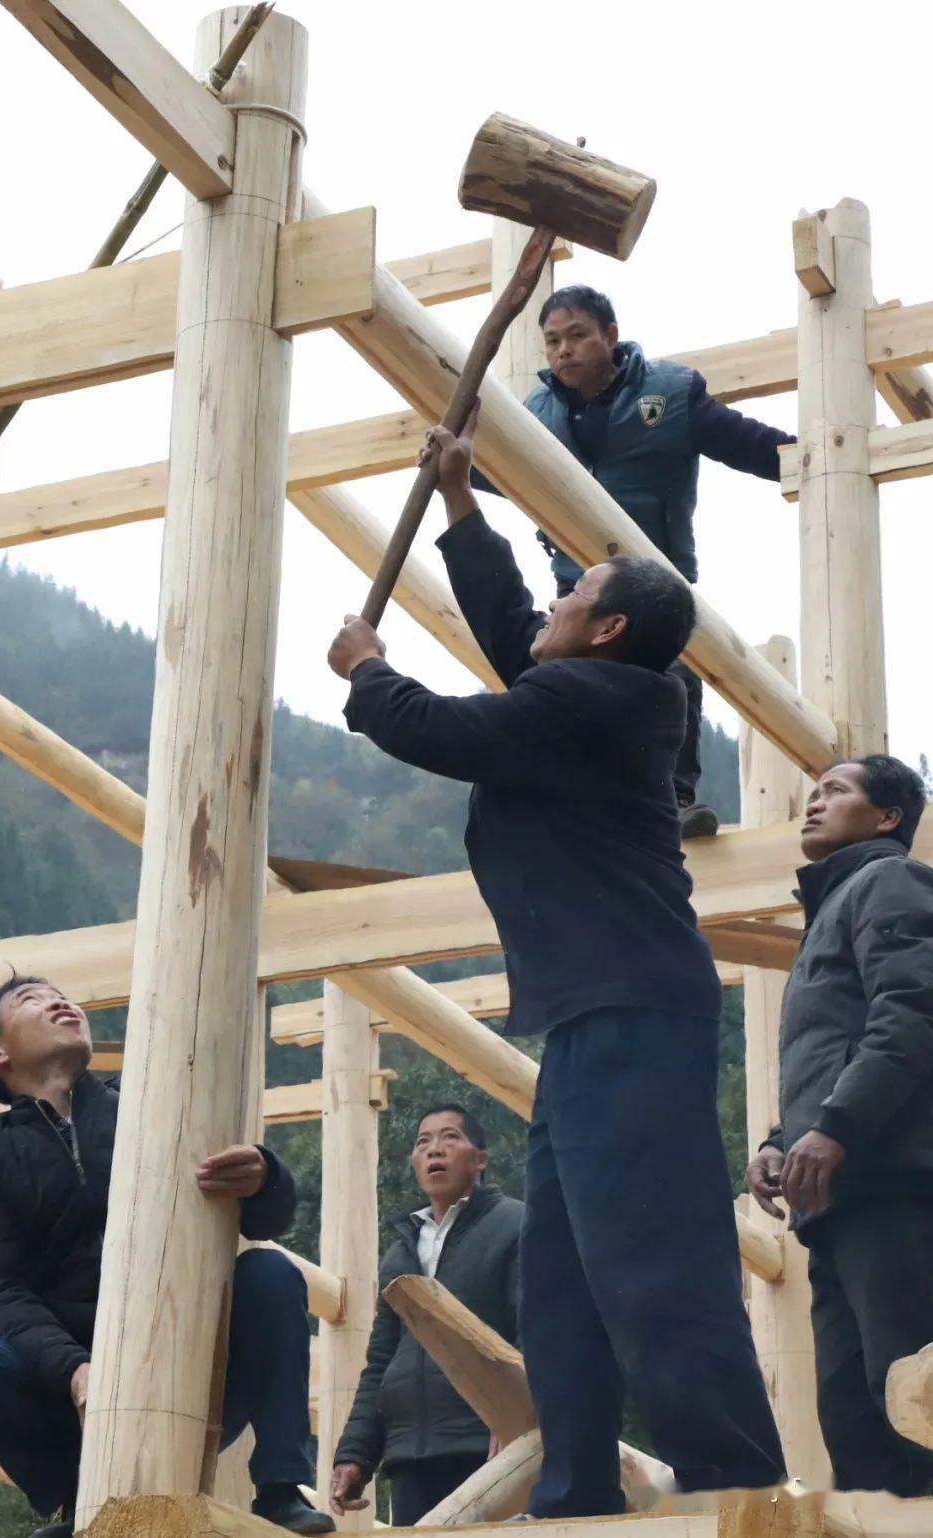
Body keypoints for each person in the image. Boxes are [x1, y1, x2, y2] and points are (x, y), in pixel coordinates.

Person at [327, 411, 785, 1518]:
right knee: (567, 1277)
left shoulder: (599, 696)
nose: (555, 606)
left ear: (608, 626)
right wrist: (461, 506)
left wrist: (368, 670)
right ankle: (577, 1487)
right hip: (598, 1014)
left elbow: (444, 728)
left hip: (628, 1009)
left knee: (655, 1253)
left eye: (574, 594)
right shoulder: (597, 686)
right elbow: (519, 636)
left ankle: (735, 1485)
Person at [0, 975, 334, 1538]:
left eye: (63, 994)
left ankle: (281, 1491)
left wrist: (263, 1177)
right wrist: (75, 1370)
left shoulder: (152, 1099)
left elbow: (265, 1221)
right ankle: (81, 1501)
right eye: (32, 1000)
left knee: (270, 1271)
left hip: (191, 1365)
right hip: (69, 1392)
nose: (61, 1001)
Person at [471, 282, 796, 838]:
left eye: (576, 336)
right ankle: (582, 797)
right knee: (569, 681)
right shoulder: (539, 411)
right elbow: (502, 474)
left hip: (655, 575)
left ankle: (672, 797)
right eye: (552, 341)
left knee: (672, 671)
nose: (562, 351)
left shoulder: (667, 395)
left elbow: (741, 441)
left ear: (610, 337)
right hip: (578, 580)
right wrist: (458, 459)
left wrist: (802, 458)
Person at [746, 756, 933, 1497]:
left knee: (913, 1409)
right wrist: (777, 1142)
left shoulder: (889, 882)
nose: (812, 804)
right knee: (853, 1426)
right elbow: (832, 1056)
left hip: (895, 1188)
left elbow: (912, 1013)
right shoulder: (832, 909)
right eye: (813, 792)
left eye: (835, 792)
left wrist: (837, 1127)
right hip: (833, 1199)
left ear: (887, 817)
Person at [329, 1104, 522, 1525]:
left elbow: (536, 1330)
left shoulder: (515, 1224)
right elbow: (380, 1362)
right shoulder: (400, 1254)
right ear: (415, 1163)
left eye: (451, 1137)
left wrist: (517, 1418)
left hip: (490, 1447)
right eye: (423, 1142)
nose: (435, 1148)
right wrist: (355, 1453)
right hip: (410, 1455)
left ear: (480, 1159)